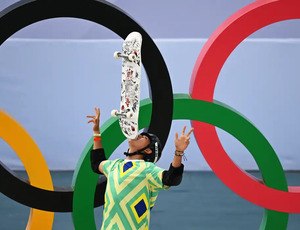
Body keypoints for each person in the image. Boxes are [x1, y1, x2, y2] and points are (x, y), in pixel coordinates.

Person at [87, 107, 193, 230]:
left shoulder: (147, 169)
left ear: (148, 150)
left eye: (145, 138)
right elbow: (97, 163)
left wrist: (179, 152)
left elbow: (172, 179)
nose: (139, 135)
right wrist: (96, 133)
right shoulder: (114, 165)